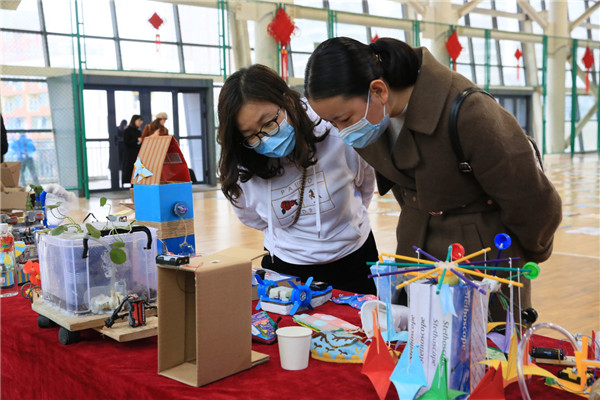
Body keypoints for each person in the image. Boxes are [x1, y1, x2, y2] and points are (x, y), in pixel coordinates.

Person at [304, 37, 562, 319]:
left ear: (378, 90)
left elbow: (532, 202)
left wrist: (529, 254)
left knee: (487, 353)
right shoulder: (372, 120)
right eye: (332, 123)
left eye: (344, 119)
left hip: (483, 259)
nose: (342, 132)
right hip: (416, 254)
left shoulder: (469, 111)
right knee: (419, 349)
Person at [217, 64, 378, 294]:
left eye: (269, 123)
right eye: (252, 135)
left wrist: (348, 223)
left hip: (353, 260)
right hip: (287, 269)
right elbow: (252, 217)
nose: (264, 139)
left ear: (287, 100)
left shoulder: (335, 132)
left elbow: (365, 184)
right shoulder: (245, 164)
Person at [121, 115, 143, 185]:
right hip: (130, 155)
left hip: (137, 155)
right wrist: (137, 140)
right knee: (131, 173)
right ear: (134, 121)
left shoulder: (138, 131)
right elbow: (127, 142)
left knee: (137, 173)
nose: (140, 123)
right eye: (139, 121)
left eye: (141, 121)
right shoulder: (128, 130)